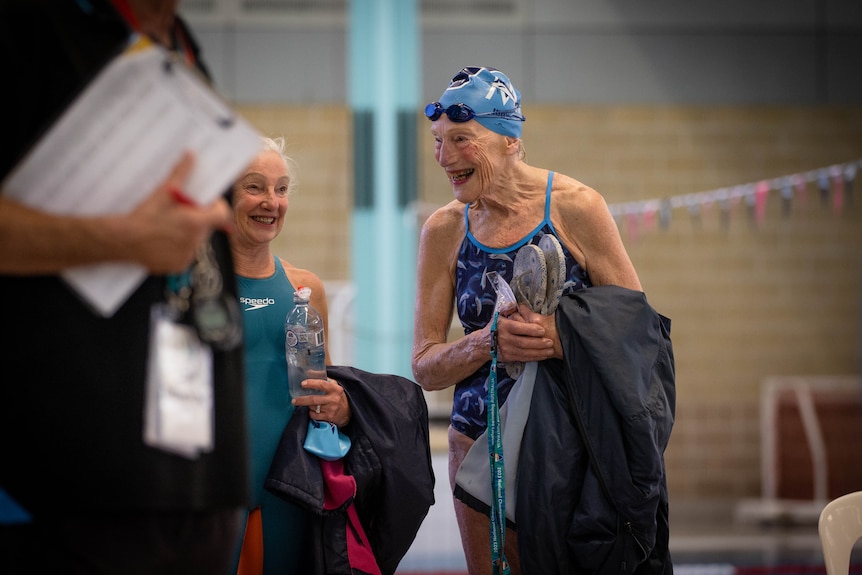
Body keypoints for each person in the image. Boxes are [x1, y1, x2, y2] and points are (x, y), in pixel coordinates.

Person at [0, 1, 251, 573]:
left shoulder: (180, 44)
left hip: (200, 482)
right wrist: (119, 239)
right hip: (60, 488)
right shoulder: (29, 26)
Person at [412, 66, 674, 574]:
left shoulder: (576, 208)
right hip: (479, 452)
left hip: (572, 449)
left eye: (461, 140)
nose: (444, 157)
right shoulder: (443, 230)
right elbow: (424, 368)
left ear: (510, 139)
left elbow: (637, 334)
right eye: (438, 141)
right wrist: (486, 343)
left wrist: (560, 337)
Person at [228, 136, 352, 574]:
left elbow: (327, 393)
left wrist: (340, 406)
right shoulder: (190, 285)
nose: (271, 202)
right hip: (212, 492)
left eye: (281, 189)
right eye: (255, 187)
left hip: (289, 491)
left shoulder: (305, 289)